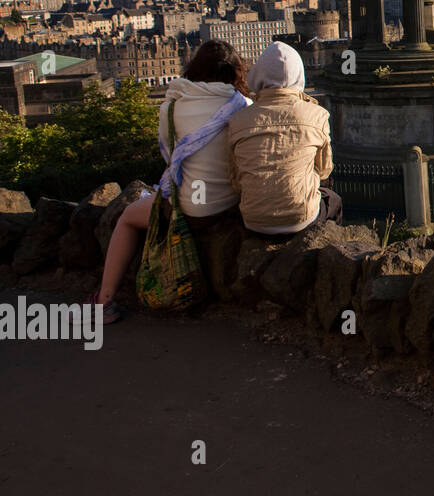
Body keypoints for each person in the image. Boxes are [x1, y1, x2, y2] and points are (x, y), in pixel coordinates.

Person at [89, 40, 252, 323]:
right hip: (230, 205)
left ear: (195, 68)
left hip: (188, 207)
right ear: (236, 72)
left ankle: (103, 302)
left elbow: (169, 152)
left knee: (127, 217)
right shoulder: (243, 106)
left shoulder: (173, 104)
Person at [228, 41, 339, 236]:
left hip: (253, 221)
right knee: (334, 201)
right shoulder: (317, 114)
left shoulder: (237, 120)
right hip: (301, 218)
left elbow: (236, 180)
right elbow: (324, 170)